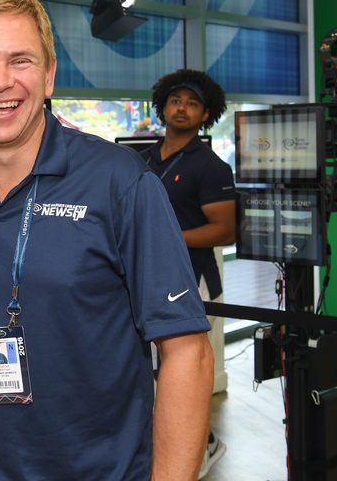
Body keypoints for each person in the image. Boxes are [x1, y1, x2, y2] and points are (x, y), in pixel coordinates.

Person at [0, 0, 214, 481]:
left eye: (21, 61)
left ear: (49, 74)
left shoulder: (120, 181)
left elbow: (188, 352)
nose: (1, 81)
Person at [140, 69, 236, 478]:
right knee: (151, 369)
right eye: (176, 100)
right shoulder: (140, 159)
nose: (182, 108)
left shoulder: (211, 167)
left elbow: (226, 229)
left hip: (193, 278)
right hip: (145, 275)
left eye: (192, 103)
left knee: (182, 371)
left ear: (206, 114)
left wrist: (168, 237)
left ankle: (203, 444)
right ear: (162, 106)